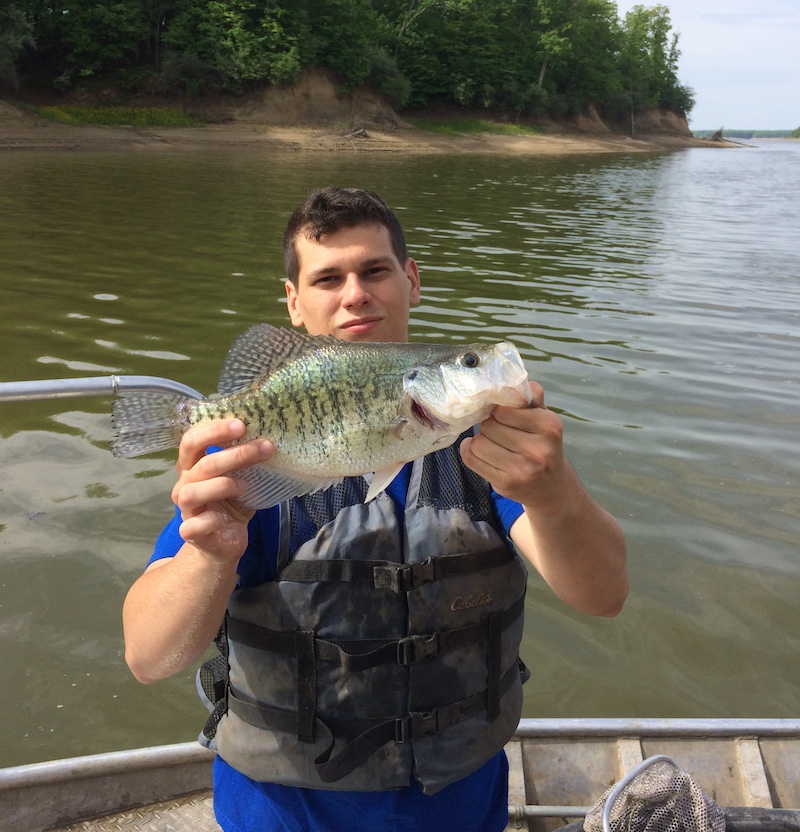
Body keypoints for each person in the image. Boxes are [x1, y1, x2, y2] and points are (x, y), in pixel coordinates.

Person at [123, 187, 628, 832]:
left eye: (375, 270)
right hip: (278, 820)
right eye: (328, 278)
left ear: (411, 281)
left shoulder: (490, 453)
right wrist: (207, 552)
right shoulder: (252, 468)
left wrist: (557, 496)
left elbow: (605, 596)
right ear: (293, 304)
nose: (355, 293)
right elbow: (149, 656)